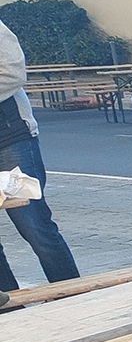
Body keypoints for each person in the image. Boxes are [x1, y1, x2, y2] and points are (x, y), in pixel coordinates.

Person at [0, 18, 81, 302]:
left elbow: (12, 73)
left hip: (10, 138)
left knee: (34, 225)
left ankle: (74, 299)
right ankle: (9, 308)